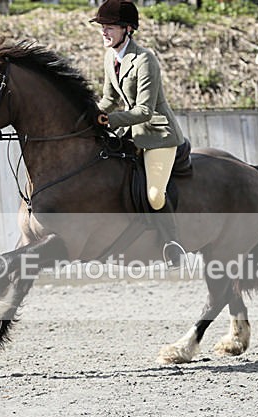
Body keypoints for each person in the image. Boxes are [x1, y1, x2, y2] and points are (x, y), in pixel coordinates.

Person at [90, 0, 188, 268]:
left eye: (109, 27)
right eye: (102, 27)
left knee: (155, 194)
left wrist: (108, 120)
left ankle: (173, 243)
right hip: (130, 130)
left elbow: (144, 110)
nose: (104, 32)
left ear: (127, 29)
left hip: (157, 134)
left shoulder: (145, 60)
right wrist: (90, 117)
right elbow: (109, 99)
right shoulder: (111, 57)